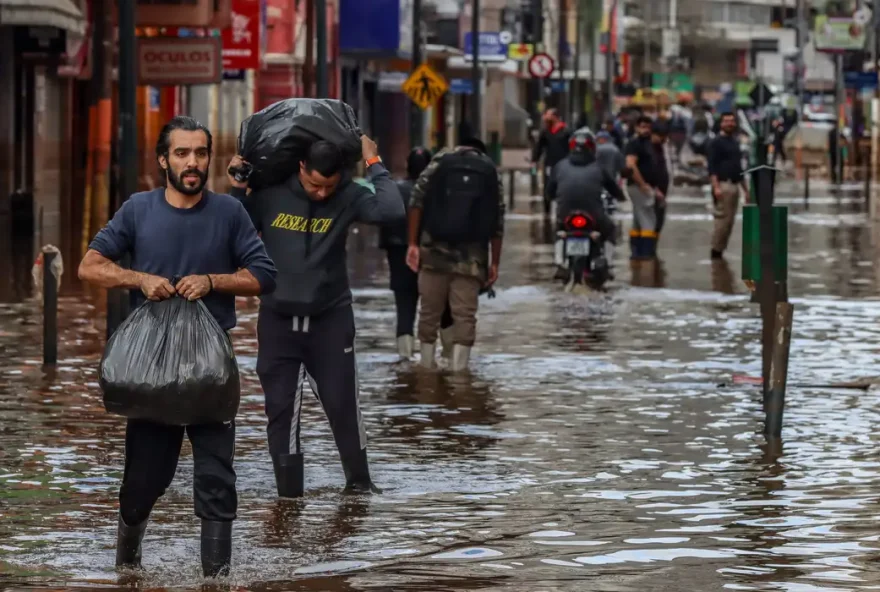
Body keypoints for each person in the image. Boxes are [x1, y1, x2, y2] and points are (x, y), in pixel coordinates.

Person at [77, 116, 278, 577]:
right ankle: (127, 565)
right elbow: (90, 266)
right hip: (151, 372)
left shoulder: (229, 212)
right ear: (164, 159)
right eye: (183, 153)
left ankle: (216, 579)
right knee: (144, 480)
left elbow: (263, 275)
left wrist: (212, 281)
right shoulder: (138, 209)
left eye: (201, 153)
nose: (193, 163)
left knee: (216, 478)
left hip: (210, 369)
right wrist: (139, 278)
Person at [227, 134, 405, 499]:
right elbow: (231, 227)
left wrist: (374, 163)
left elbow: (392, 212)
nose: (321, 193)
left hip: (331, 319)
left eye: (329, 185)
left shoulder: (349, 196)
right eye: (313, 184)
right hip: (277, 319)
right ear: (300, 168)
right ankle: (288, 498)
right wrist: (237, 186)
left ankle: (359, 488)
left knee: (342, 404)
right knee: (281, 410)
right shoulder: (271, 193)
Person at [406, 138, 504, 371]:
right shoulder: (489, 169)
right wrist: (495, 263)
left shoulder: (440, 161)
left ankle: (426, 370)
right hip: (472, 259)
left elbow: (416, 200)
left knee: (429, 313)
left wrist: (412, 244)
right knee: (465, 316)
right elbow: (498, 220)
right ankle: (460, 376)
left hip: (434, 252)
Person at [378, 147, 454, 359]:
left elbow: (384, 222)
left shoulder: (394, 190)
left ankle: (405, 360)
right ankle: (448, 358)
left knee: (404, 308)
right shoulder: (440, 191)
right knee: (443, 309)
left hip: (398, 254)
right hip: (433, 256)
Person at [547, 128, 626, 279]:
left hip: (565, 215)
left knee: (559, 229)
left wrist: (552, 197)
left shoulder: (560, 166)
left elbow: (549, 192)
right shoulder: (599, 167)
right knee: (610, 229)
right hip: (594, 216)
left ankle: (559, 263)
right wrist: (621, 196)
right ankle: (608, 264)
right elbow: (614, 189)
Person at [707, 111, 749, 259]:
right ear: (721, 123)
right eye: (726, 121)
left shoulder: (735, 142)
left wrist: (746, 190)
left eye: (732, 121)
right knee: (722, 221)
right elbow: (711, 167)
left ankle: (721, 251)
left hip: (735, 185)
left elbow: (739, 168)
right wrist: (716, 186)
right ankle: (715, 251)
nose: (729, 123)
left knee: (730, 221)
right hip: (723, 185)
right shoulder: (716, 142)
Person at [624, 115, 664, 259]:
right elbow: (630, 165)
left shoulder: (648, 144)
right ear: (636, 128)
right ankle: (646, 253)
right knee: (649, 220)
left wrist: (655, 187)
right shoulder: (634, 144)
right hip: (638, 187)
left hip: (646, 187)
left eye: (648, 127)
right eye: (642, 126)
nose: (645, 130)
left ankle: (636, 252)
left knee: (638, 220)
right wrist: (643, 185)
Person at [531, 108, 571, 215]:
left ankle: (561, 209)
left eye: (548, 115)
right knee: (548, 186)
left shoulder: (566, 131)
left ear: (555, 117)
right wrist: (535, 159)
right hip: (549, 164)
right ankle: (547, 210)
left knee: (562, 186)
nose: (546, 117)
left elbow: (570, 148)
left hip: (563, 164)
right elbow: (539, 147)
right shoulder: (546, 131)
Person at [650, 121, 672, 239]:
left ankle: (652, 252)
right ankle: (647, 252)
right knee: (652, 224)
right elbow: (647, 172)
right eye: (662, 136)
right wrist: (654, 190)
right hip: (653, 193)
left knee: (658, 223)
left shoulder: (661, 148)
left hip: (662, 193)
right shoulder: (649, 149)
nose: (665, 139)